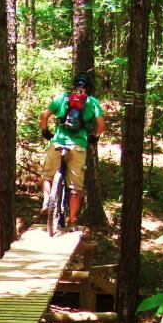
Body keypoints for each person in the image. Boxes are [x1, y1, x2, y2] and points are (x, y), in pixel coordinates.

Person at [39, 72, 106, 224]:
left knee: (47, 176)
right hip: (78, 146)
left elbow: (44, 116)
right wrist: (94, 137)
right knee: (76, 188)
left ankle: (46, 202)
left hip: (58, 142)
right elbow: (101, 125)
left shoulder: (63, 98)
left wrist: (46, 132)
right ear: (88, 88)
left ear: (74, 85)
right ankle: (72, 218)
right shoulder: (92, 102)